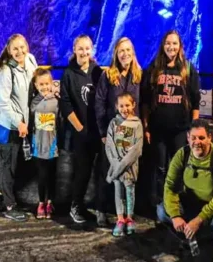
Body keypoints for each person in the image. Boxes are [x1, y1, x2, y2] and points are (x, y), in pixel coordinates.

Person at [157, 119, 213, 261]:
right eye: (193, 138)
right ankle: (187, 235)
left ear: (209, 138)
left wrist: (199, 219)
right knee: (162, 211)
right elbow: (170, 186)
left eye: (201, 138)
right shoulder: (182, 154)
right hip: (193, 200)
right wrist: (175, 216)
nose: (197, 142)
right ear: (188, 138)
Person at [141, 30, 201, 206]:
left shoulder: (188, 69)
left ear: (180, 46)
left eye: (174, 43)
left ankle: (179, 205)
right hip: (158, 129)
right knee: (160, 169)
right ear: (163, 45)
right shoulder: (154, 68)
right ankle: (163, 204)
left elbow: (195, 100)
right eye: (168, 43)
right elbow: (145, 100)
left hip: (181, 130)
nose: (171, 47)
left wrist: (194, 128)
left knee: (179, 168)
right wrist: (146, 127)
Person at [0, 34, 38, 221]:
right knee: (9, 165)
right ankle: (8, 206)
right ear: (9, 51)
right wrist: (18, 122)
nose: (20, 52)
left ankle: (1, 192)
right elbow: (3, 102)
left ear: (27, 46)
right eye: (15, 49)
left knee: (19, 166)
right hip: (9, 126)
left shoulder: (31, 60)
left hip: (24, 125)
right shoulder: (5, 71)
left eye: (22, 47)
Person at [95, 37, 142, 225]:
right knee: (107, 169)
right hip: (112, 133)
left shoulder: (138, 75)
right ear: (116, 53)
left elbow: (143, 103)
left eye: (128, 50)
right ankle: (101, 209)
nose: (125, 54)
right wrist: (103, 132)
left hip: (131, 135)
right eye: (121, 50)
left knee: (128, 172)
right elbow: (99, 103)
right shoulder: (107, 75)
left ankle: (126, 214)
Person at [60, 34, 103, 224]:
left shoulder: (98, 71)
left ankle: (100, 208)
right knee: (82, 171)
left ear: (92, 50)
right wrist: (80, 128)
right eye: (81, 48)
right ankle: (75, 206)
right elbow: (66, 104)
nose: (84, 52)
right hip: (81, 133)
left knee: (101, 171)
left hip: (99, 132)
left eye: (87, 48)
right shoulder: (68, 74)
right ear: (74, 50)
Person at [105, 93, 144, 237]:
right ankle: (120, 219)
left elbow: (137, 148)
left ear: (133, 105)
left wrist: (124, 164)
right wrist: (116, 164)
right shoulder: (113, 123)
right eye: (121, 106)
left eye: (127, 105)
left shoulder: (137, 124)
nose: (124, 108)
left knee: (129, 192)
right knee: (118, 192)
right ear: (116, 107)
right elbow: (109, 145)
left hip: (130, 167)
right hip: (116, 167)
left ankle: (129, 218)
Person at [30, 68, 60, 220]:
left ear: (52, 83)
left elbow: (60, 123)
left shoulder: (56, 102)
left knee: (52, 176)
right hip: (38, 147)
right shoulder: (33, 103)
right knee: (41, 176)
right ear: (36, 85)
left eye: (47, 84)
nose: (45, 87)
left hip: (53, 146)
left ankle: (50, 202)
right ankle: (41, 203)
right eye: (41, 84)